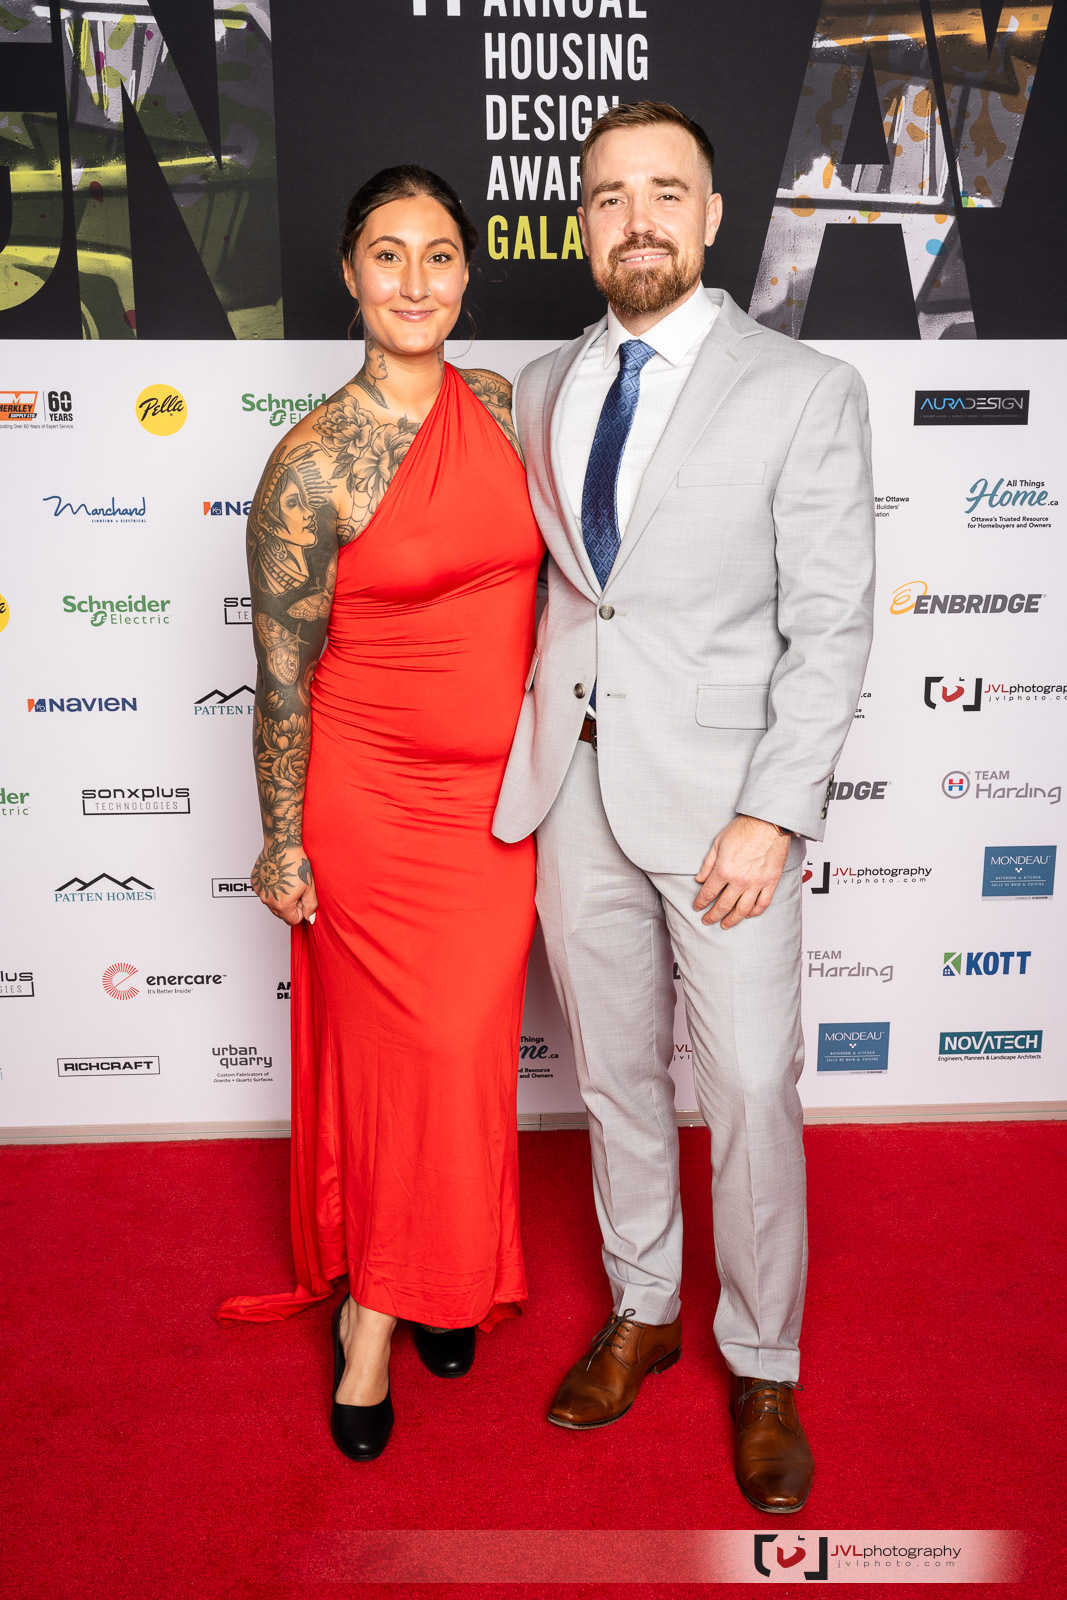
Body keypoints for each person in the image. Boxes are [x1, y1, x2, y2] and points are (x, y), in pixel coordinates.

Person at [492, 101, 875, 1512]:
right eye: (609, 196)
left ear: (713, 216)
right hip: (574, 786)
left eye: (667, 192)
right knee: (612, 1076)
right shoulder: (541, 384)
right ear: (582, 224)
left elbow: (832, 624)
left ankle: (763, 1360)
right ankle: (644, 1306)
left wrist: (774, 815)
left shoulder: (804, 388)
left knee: (752, 1086)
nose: (637, 219)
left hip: (727, 808)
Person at [218, 166, 543, 1465]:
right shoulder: (307, 465)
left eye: (440, 254)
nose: (416, 281)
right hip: (370, 806)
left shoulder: (510, 409)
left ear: (467, 273)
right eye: (389, 254)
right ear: (350, 274)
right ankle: (373, 1320)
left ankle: (446, 1277)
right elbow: (281, 677)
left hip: (499, 809)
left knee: (465, 1063)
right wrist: (281, 838)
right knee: (401, 1066)